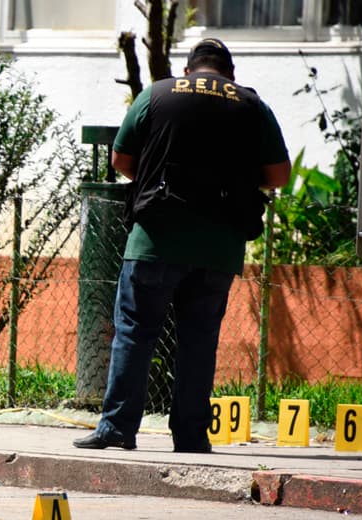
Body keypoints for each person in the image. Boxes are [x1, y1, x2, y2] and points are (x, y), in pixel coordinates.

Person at [74, 38, 290, 454]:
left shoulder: (157, 93)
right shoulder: (251, 105)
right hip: (219, 247)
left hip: (155, 239)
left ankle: (118, 428)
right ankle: (191, 436)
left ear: (189, 69)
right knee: (198, 341)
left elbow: (121, 161)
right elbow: (278, 175)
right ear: (229, 74)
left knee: (135, 333)